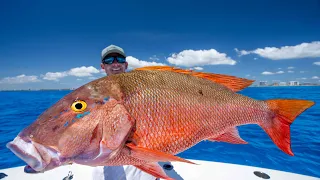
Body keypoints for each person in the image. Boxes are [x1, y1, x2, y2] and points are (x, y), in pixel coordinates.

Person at [92, 44, 158, 180]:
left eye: (119, 60)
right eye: (109, 60)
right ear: (102, 66)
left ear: (126, 64)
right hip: (108, 157)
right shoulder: (94, 93)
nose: (115, 64)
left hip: (139, 150)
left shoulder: (143, 87)